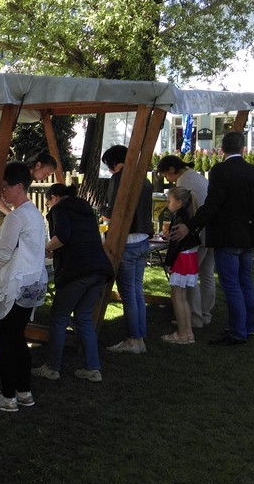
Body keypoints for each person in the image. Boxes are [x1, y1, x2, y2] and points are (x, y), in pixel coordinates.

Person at [171, 131, 254, 346]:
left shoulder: (220, 171)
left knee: (231, 284)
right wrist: (251, 226)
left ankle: (238, 331)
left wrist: (191, 225)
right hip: (247, 234)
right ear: (242, 148)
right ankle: (248, 326)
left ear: (222, 149)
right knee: (245, 282)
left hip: (226, 236)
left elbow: (212, 205)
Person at [0, 162, 48, 411]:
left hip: (19, 284)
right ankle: (23, 391)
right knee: (17, 338)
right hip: (33, 282)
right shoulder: (33, 213)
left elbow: (2, 254)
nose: (2, 193)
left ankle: (9, 397)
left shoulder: (17, 216)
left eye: (5, 187)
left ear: (19, 187)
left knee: (6, 339)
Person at [32, 184, 114, 382]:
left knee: (59, 317)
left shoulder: (59, 209)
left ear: (54, 197)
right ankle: (93, 368)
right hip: (99, 268)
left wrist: (45, 249)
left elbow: (62, 236)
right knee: (83, 317)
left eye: (48, 202)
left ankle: (52, 367)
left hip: (77, 270)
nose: (49, 206)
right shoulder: (85, 209)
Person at [101, 144, 154, 354]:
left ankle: (134, 339)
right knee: (137, 290)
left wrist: (102, 210)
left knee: (129, 293)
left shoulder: (119, 178)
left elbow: (112, 210)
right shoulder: (144, 179)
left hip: (127, 241)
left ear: (114, 163)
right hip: (143, 239)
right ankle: (140, 336)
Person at [156, 155, 215, 328]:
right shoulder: (196, 176)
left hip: (196, 235)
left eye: (166, 176)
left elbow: (188, 211)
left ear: (172, 169)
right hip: (211, 231)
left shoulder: (184, 181)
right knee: (207, 274)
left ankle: (194, 317)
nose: (168, 180)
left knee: (189, 277)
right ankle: (205, 314)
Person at [0, 150, 59, 250]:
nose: (44, 178)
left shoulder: (27, 178)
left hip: (3, 210)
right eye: (45, 174)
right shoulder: (18, 172)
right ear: (38, 165)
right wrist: (11, 214)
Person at [161, 186, 201, 344]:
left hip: (181, 258)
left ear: (179, 202)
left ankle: (182, 334)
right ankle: (188, 332)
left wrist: (168, 262)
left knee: (177, 297)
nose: (167, 204)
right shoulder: (189, 216)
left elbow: (175, 244)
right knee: (183, 297)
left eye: (169, 201)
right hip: (189, 256)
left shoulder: (179, 218)